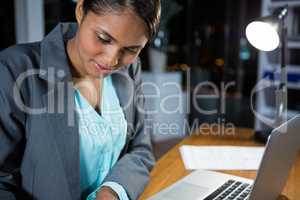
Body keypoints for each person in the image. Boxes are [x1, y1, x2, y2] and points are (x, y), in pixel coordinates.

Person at [0, 0, 161, 199]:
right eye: (103, 38)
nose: (112, 60)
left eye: (131, 50)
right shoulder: (12, 69)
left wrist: (111, 191)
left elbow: (141, 150)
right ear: (80, 11)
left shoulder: (130, 69)